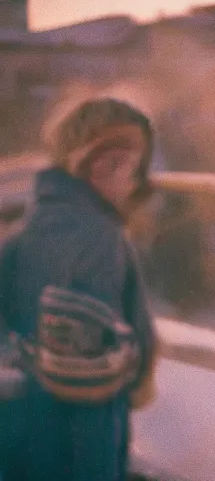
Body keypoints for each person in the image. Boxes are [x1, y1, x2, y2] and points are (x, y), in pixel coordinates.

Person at [0, 98, 157, 481]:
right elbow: (95, 364)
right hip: (81, 436)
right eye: (131, 169)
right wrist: (138, 380)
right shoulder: (101, 241)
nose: (136, 183)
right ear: (100, 166)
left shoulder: (26, 232)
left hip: (21, 424)